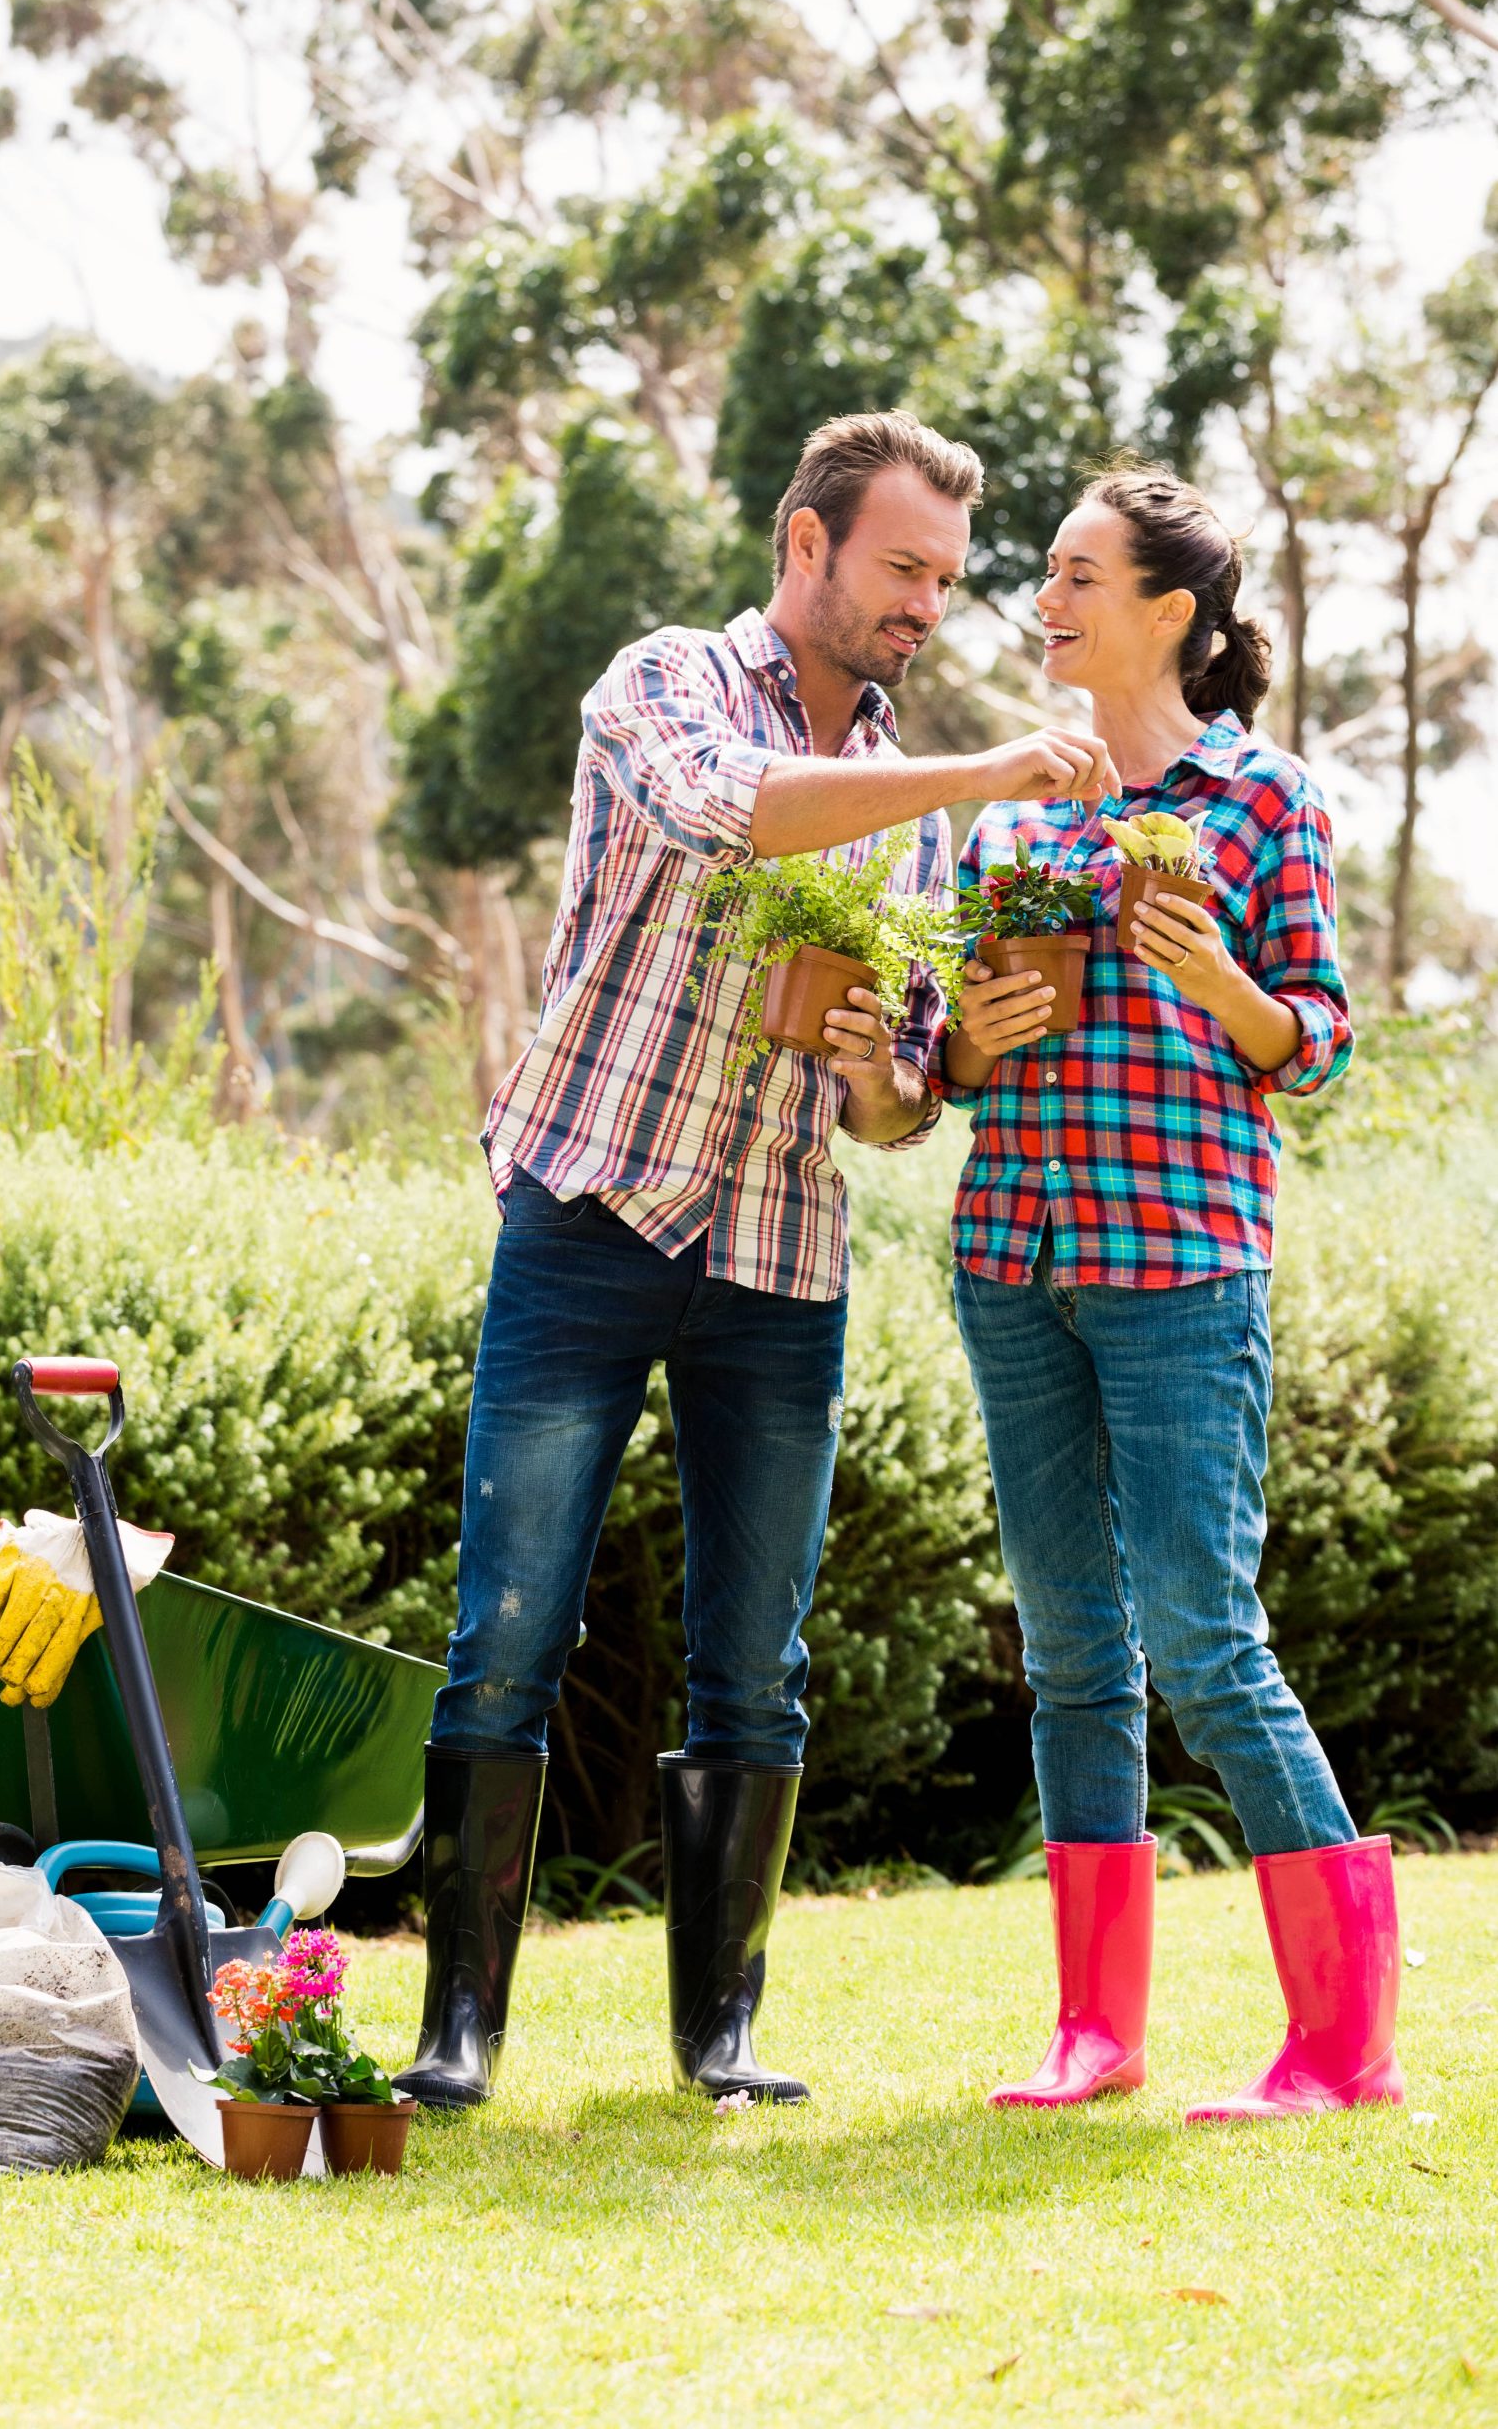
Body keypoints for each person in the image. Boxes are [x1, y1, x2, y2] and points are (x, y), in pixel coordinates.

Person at [393, 410, 1117, 2111]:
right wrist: (986, 770)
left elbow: (901, 1098)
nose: (929, 605)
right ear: (807, 544)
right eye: (901, 568)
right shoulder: (664, 686)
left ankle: (719, 2034)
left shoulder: (916, 796)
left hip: (781, 1251)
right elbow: (739, 815)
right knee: (508, 1624)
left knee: (756, 1655)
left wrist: (891, 1070)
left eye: (948, 578)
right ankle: (459, 2029)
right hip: (587, 1211)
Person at [936, 461, 1399, 2124]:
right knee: (1070, 1653)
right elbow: (961, 1055)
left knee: (1206, 1642)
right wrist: (965, 1043)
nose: (1044, 602)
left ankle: (1344, 2047)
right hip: (1017, 1259)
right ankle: (1095, 2033)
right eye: (1044, 577)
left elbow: (1321, 1040)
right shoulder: (1018, 815)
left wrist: (1225, 988)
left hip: (1184, 1271)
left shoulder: (1260, 801)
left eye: (1076, 577)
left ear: (1169, 613)